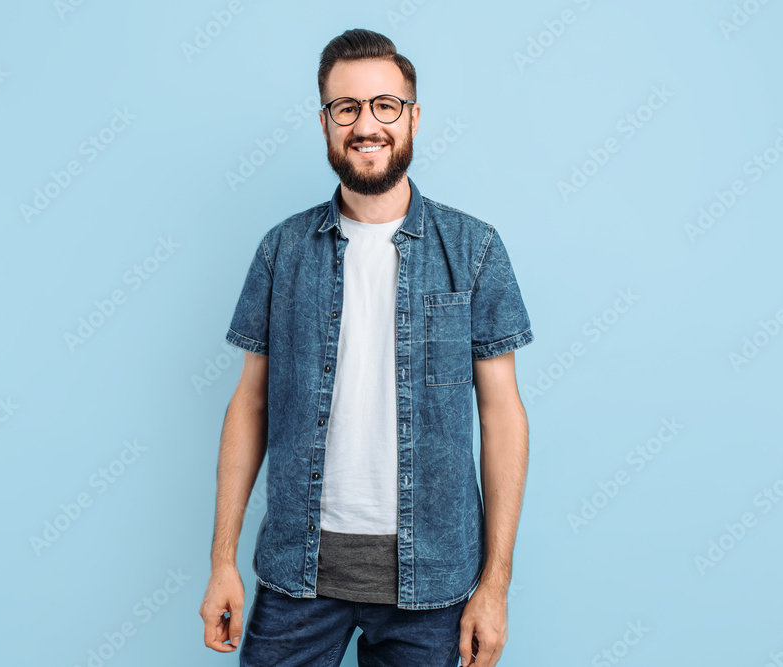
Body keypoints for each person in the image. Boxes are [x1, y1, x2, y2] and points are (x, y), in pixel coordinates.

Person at [199, 28, 534, 667]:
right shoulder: (281, 252)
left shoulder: (474, 249)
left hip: (435, 586)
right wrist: (222, 561)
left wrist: (496, 585)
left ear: (412, 116)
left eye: (385, 105)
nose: (366, 124)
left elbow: (501, 417)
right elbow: (250, 405)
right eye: (346, 108)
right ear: (326, 122)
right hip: (297, 577)